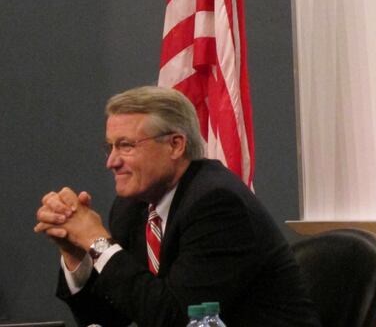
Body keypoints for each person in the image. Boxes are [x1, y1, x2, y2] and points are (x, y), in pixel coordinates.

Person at [35, 86, 320, 327]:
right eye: (109, 147)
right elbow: (109, 318)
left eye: (126, 146)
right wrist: (76, 253)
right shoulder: (131, 207)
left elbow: (176, 319)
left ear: (175, 145)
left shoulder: (218, 204)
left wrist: (97, 241)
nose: (111, 161)